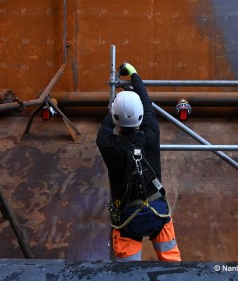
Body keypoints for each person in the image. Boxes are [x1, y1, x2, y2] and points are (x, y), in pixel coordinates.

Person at [96, 63, 181, 262]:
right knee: (173, 268)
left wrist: (116, 103)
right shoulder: (152, 133)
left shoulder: (106, 144)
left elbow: (108, 123)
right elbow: (147, 103)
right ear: (141, 115)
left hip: (127, 219)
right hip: (158, 214)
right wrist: (134, 73)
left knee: (127, 274)